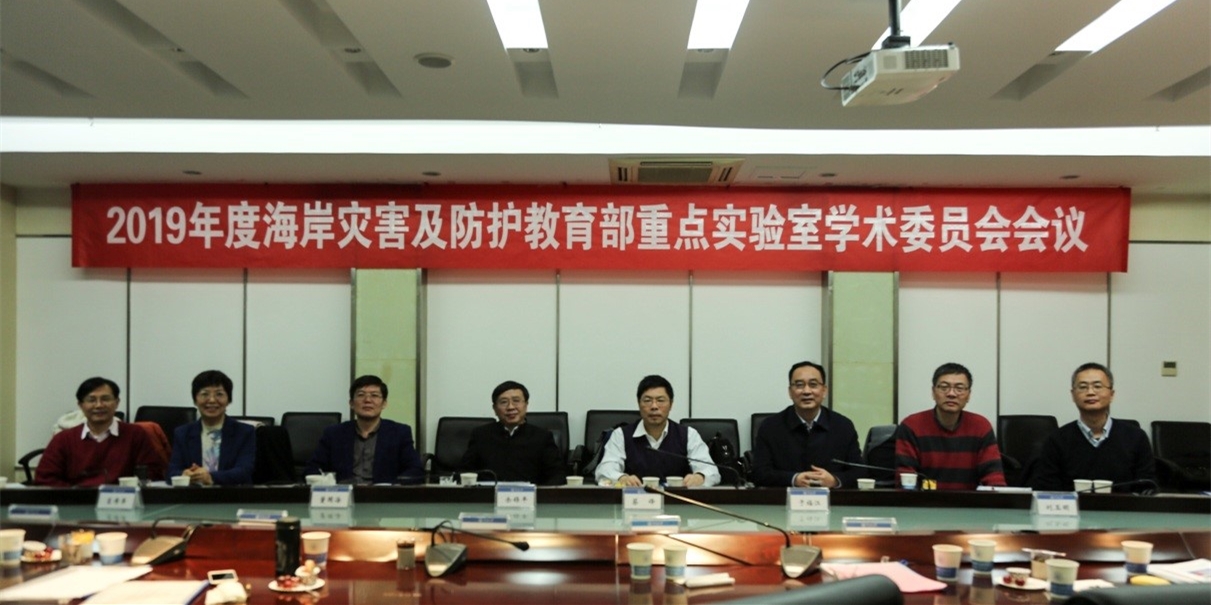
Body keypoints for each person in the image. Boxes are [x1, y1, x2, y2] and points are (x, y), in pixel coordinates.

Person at [1029, 362, 1157, 493]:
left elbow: (1146, 485)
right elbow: (1046, 487)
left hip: (1123, 506)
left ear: (1111, 394)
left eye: (1097, 386)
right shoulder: (1057, 439)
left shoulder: (1136, 437)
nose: (1090, 392)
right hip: (1073, 506)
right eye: (1083, 387)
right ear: (1073, 395)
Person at [34, 377, 166, 487]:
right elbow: (45, 478)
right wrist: (75, 495)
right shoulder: (63, 439)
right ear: (80, 405)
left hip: (122, 500)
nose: (99, 405)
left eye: (105, 399)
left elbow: (152, 474)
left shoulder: (135, 434)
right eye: (91, 400)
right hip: (76, 501)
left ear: (117, 402)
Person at [895, 362, 1006, 490]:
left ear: (969, 395)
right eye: (944, 387)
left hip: (969, 501)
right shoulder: (912, 425)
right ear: (933, 392)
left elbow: (994, 478)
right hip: (924, 500)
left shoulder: (980, 426)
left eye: (959, 388)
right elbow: (906, 480)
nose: (951, 394)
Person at [594, 375, 721, 487]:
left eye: (660, 400)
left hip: (677, 501)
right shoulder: (621, 435)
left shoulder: (689, 435)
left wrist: (700, 477)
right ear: (639, 403)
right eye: (647, 400)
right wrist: (621, 478)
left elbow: (712, 471)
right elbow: (604, 470)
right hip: (634, 500)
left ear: (671, 404)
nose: (654, 406)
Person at [751, 361, 863, 488]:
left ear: (824, 391)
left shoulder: (843, 426)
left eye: (813, 385)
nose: (806, 391)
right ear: (790, 392)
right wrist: (794, 479)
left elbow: (860, 472)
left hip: (832, 498)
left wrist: (834, 480)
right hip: (783, 498)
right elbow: (759, 473)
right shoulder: (770, 427)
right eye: (799, 385)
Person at [305, 375, 424, 484]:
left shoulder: (399, 432)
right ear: (351, 403)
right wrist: (327, 482)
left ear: (384, 403)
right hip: (344, 494)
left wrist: (393, 486)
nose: (367, 400)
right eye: (361, 395)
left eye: (374, 395)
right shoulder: (334, 433)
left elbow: (415, 470)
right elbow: (313, 467)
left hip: (383, 495)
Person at [459, 380, 565, 485]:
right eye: (503, 402)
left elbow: (557, 475)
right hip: (489, 494)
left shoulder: (542, 437)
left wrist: (540, 493)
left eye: (516, 401)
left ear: (526, 405)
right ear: (494, 408)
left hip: (530, 494)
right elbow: (464, 472)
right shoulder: (481, 435)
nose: (510, 407)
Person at [168, 370, 256, 485]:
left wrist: (211, 477)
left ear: (228, 400)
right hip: (194, 494)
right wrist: (184, 474)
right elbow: (172, 472)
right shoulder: (182, 433)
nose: (212, 400)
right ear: (195, 400)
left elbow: (244, 471)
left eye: (219, 394)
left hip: (232, 494)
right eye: (205, 394)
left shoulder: (244, 432)